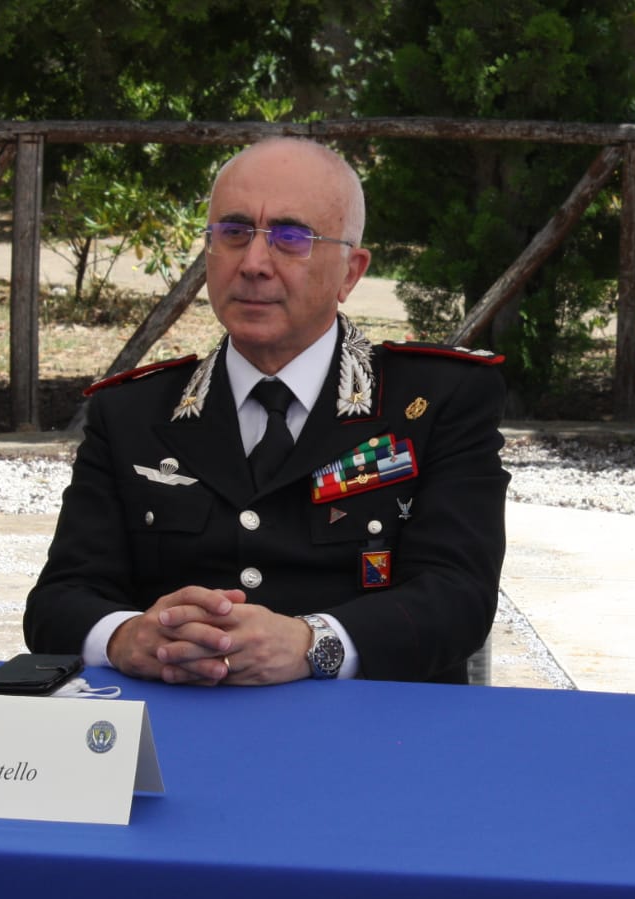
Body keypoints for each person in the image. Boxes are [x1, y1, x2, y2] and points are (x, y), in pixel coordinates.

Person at [25, 137, 509, 686]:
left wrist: (313, 644)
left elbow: (458, 598)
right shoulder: (132, 412)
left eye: (291, 238)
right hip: (176, 726)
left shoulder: (435, 402)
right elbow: (58, 602)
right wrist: (124, 637)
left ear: (351, 271)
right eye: (233, 233)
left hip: (369, 735)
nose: (254, 263)